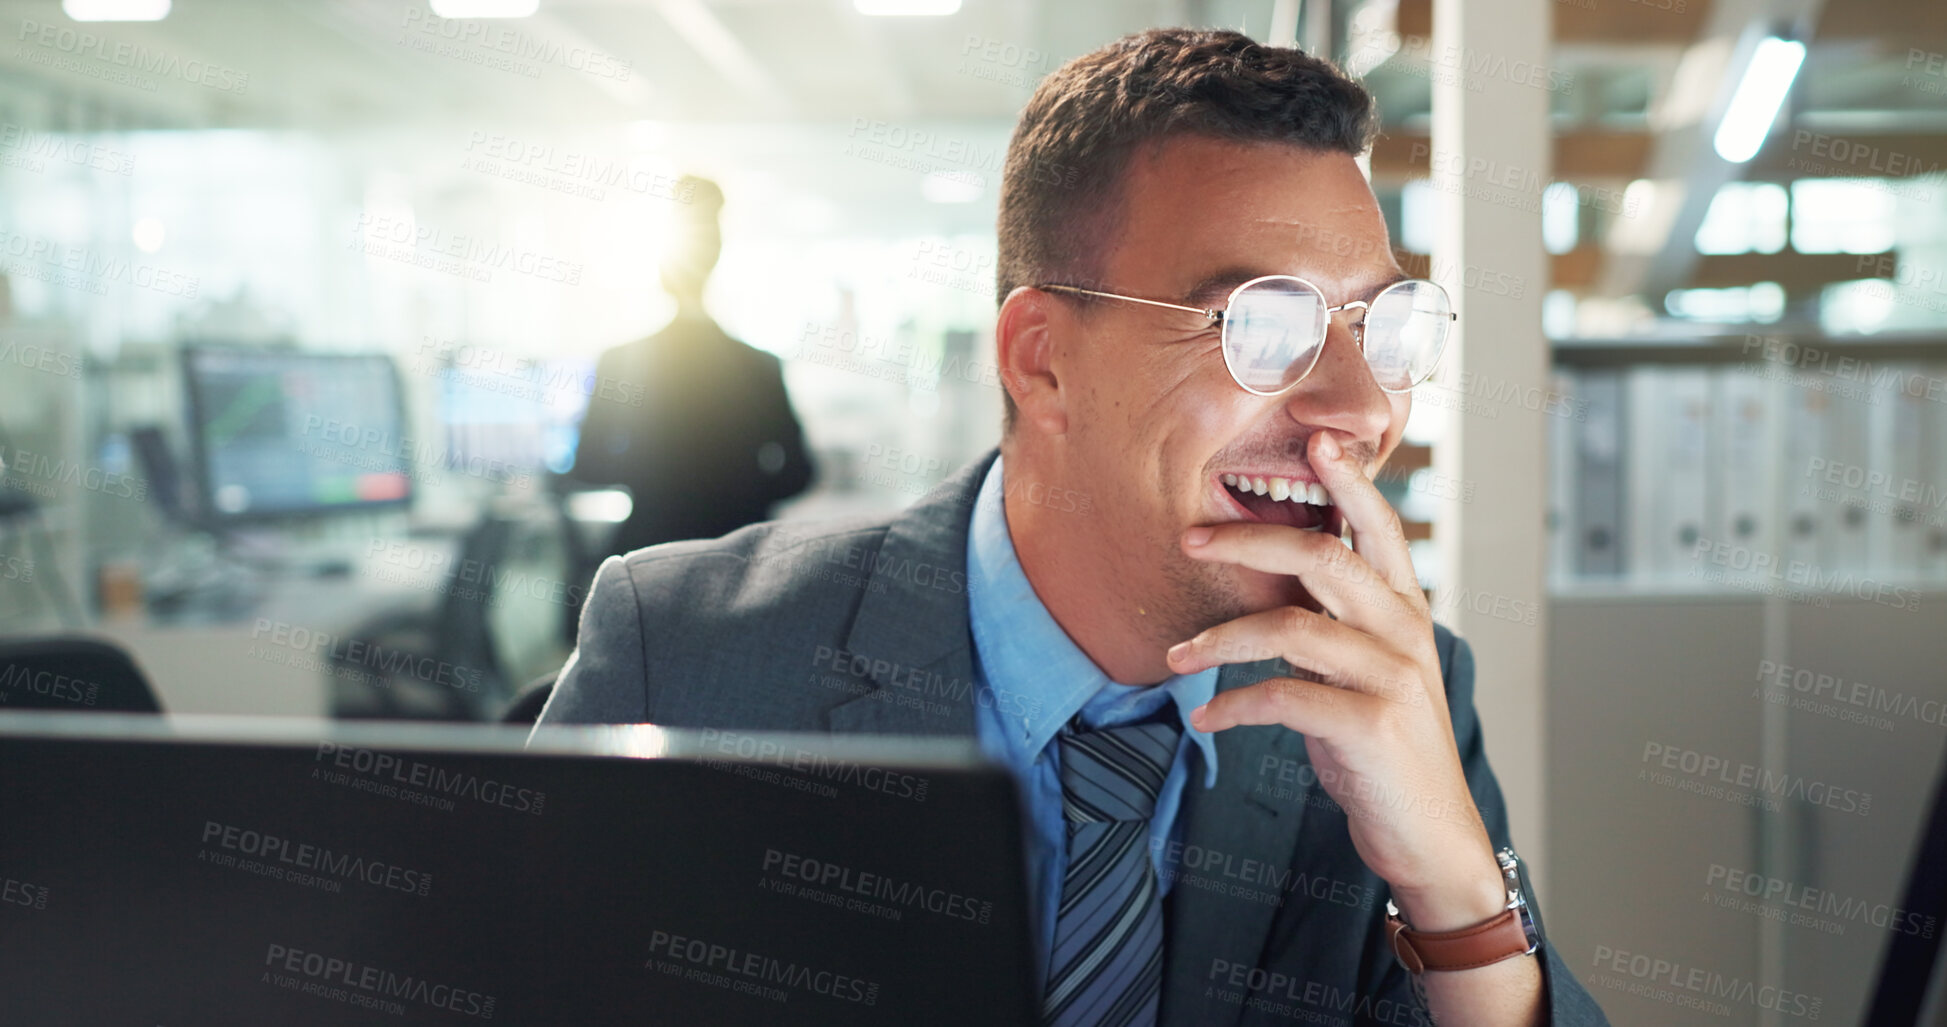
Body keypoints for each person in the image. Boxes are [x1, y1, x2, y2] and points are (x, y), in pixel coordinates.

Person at [536, 29, 1608, 1027]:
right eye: (1262, 328)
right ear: (1041, 359)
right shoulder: (685, 660)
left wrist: (1456, 897)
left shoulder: (1394, 696)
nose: (1364, 410)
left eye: (1379, 328)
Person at [567, 175, 813, 559]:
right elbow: (799, 474)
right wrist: (739, 489)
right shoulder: (759, 367)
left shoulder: (622, 362)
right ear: (716, 255)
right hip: (740, 559)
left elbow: (589, 465)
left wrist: (657, 478)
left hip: (650, 556)